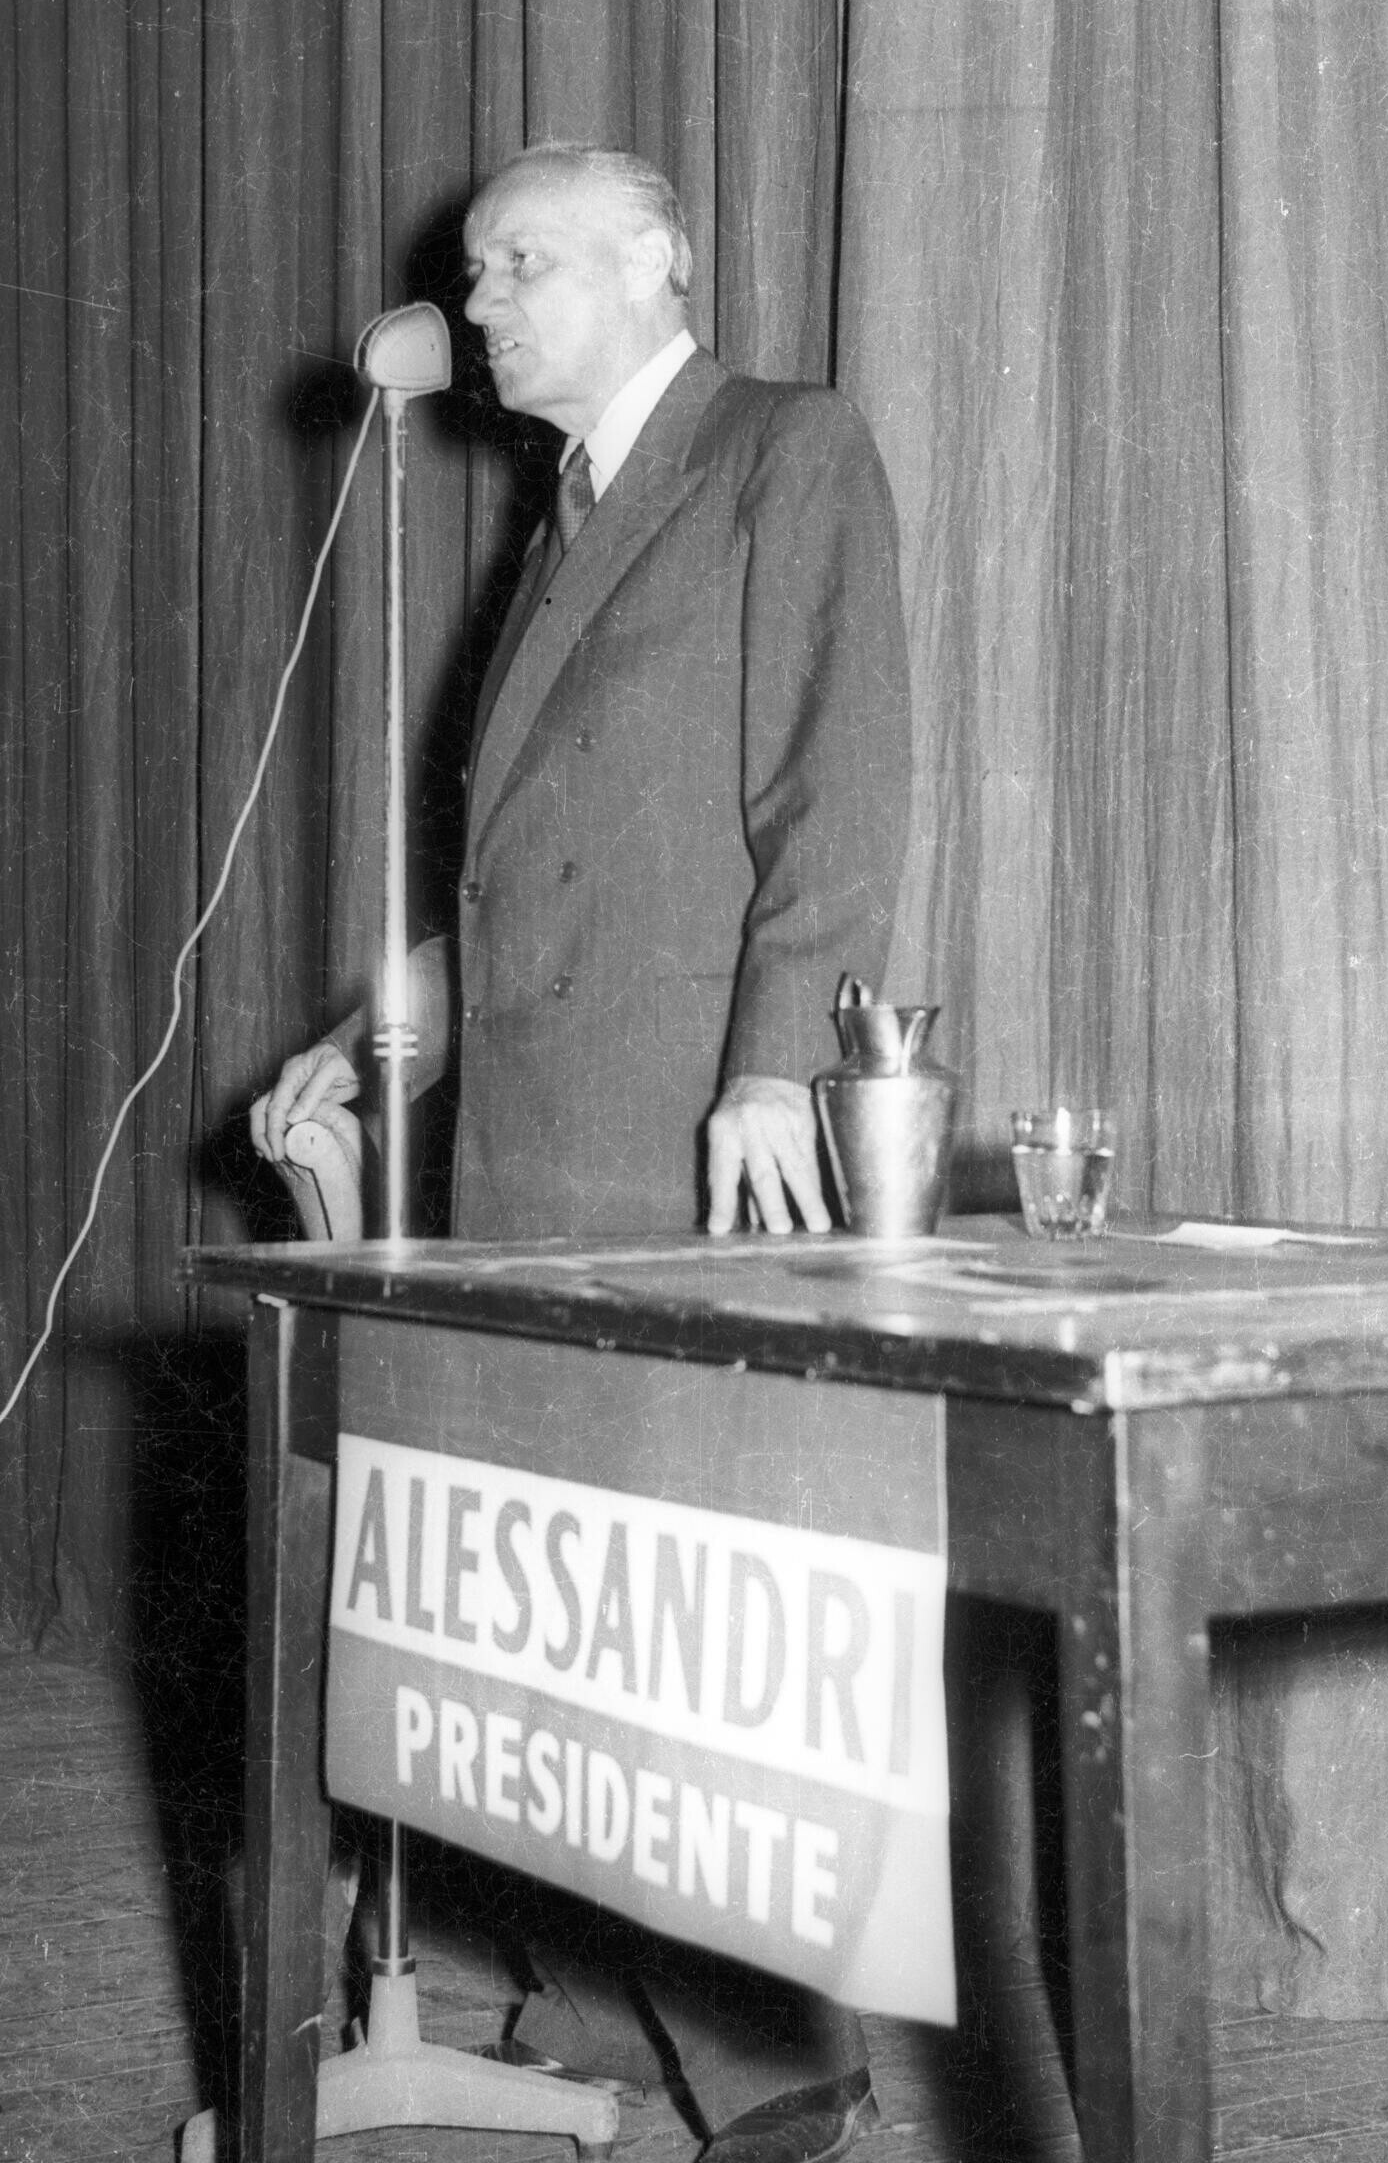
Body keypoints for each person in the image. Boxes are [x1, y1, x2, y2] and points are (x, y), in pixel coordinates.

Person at [252, 142, 911, 2163]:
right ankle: (597, 2020)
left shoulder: (779, 452)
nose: (481, 308)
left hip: (685, 1137)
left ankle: (778, 2072)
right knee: (567, 1619)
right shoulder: (563, 522)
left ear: (655, 269)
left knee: (699, 1596)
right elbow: (548, 853)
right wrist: (381, 1042)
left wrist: (777, 1066)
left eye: (521, 264)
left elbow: (837, 774)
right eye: (474, 274)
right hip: (525, 1142)